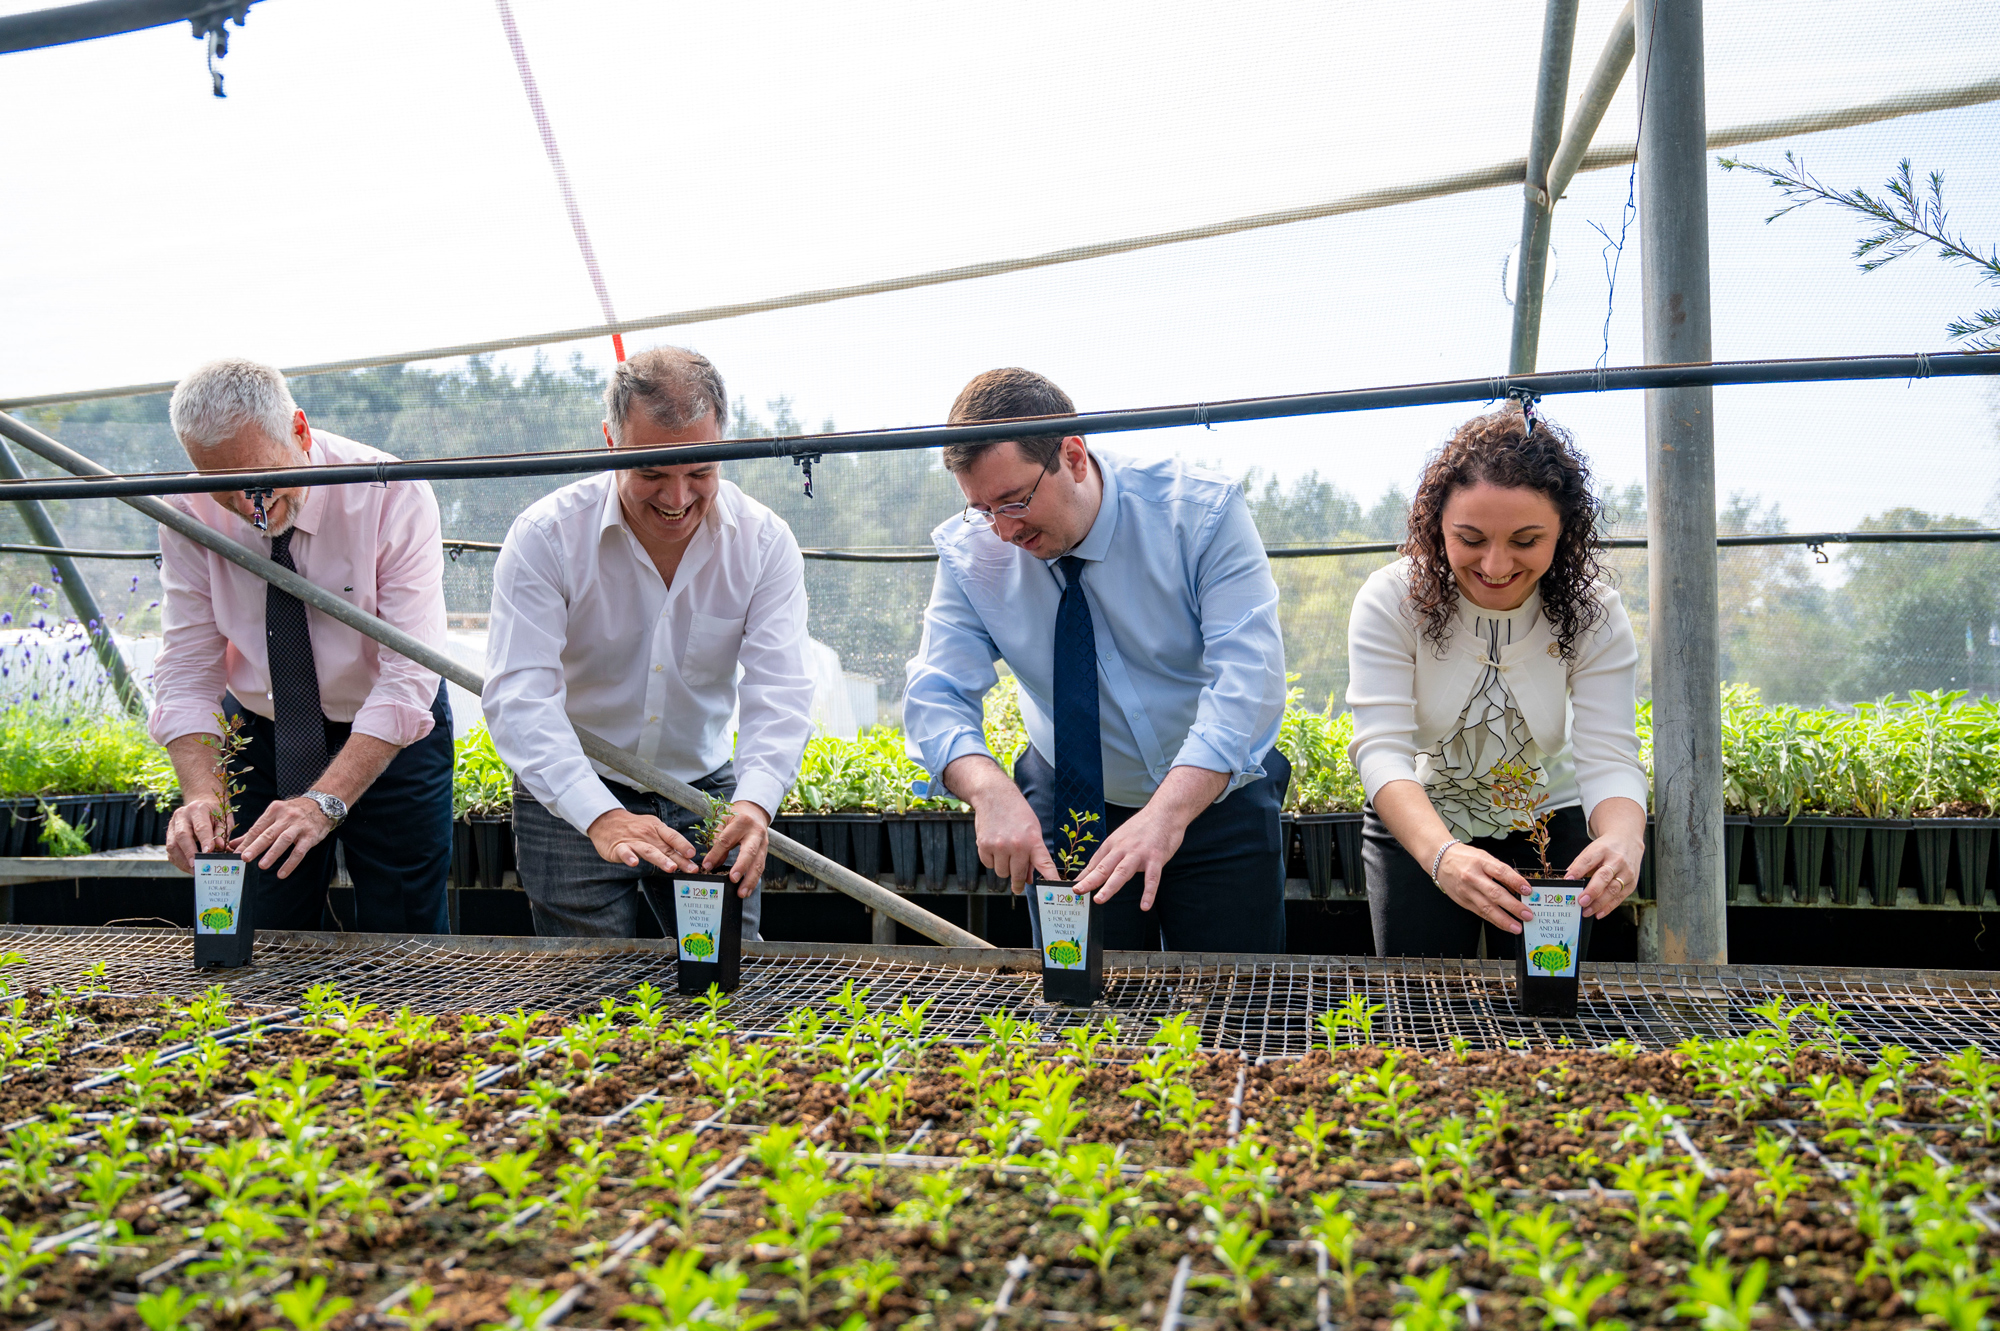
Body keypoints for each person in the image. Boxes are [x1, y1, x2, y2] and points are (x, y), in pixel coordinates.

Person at [903, 367, 1290, 953]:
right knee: (1085, 1009)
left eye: (1014, 500)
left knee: (1236, 1007)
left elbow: (1248, 684)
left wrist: (1166, 814)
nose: (1003, 531)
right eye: (982, 509)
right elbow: (937, 694)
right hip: (1073, 799)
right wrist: (988, 789)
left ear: (1074, 456)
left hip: (1215, 800)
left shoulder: (1198, 514)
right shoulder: (972, 553)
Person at [483, 345, 814, 938]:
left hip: (705, 790)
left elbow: (780, 688)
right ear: (611, 441)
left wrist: (755, 803)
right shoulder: (547, 537)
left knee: (723, 981)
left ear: (724, 448)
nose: (677, 497)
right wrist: (600, 815)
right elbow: (519, 695)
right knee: (585, 987)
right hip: (570, 789)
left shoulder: (763, 543)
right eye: (652, 472)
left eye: (700, 471)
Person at [154, 357, 454, 933]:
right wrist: (201, 796)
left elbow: (409, 675)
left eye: (261, 479)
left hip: (391, 733)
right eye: (221, 487)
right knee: (262, 925)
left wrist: (325, 801)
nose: (249, 506)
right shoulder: (185, 512)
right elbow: (190, 669)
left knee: (404, 926)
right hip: (264, 733)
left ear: (300, 429)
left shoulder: (387, 490)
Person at [1346, 404, 1648, 958]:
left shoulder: (1593, 613)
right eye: (1471, 537)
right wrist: (1441, 855)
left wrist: (1625, 838)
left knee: (1549, 1009)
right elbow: (1382, 750)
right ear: (1437, 526)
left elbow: (1608, 756)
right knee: (1424, 1013)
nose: (1495, 563)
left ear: (1565, 532)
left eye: (1526, 540)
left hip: (1549, 826)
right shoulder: (1393, 600)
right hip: (1419, 824)